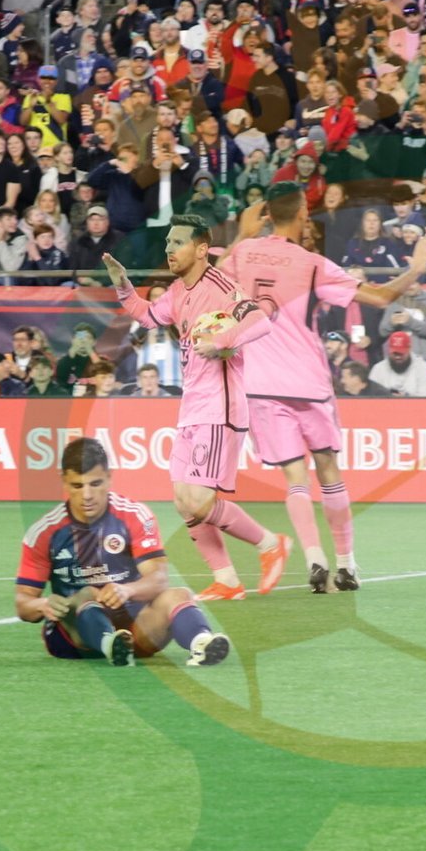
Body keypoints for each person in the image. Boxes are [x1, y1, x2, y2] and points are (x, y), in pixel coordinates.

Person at [218, 186, 426, 593]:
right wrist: (417, 267)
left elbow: (210, 280)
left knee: (295, 479)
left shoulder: (243, 253)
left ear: (266, 215)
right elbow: (380, 297)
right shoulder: (312, 264)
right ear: (303, 213)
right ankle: (347, 564)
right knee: (329, 471)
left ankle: (314, 558)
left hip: (261, 385)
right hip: (308, 383)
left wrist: (242, 234)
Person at [103, 216, 285, 602]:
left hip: (219, 407)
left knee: (200, 501)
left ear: (201, 249)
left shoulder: (221, 286)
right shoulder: (177, 291)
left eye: (178, 243)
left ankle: (270, 543)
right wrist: (122, 284)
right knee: (184, 502)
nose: (169, 249)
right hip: (191, 408)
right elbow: (146, 315)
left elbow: (259, 321)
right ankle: (227, 580)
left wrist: (221, 341)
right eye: (168, 243)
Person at [16, 437, 230, 667]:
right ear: (64, 481)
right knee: (87, 594)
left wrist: (127, 590)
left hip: (133, 629)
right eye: (77, 486)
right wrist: (42, 605)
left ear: (109, 477)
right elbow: (23, 602)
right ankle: (109, 644)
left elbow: (158, 579)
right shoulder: (45, 532)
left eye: (95, 484)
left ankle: (201, 643)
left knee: (179, 595)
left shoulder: (135, 516)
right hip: (74, 638)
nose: (87, 495)